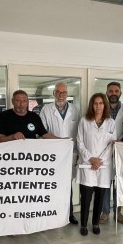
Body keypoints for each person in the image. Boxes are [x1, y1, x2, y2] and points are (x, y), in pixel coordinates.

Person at [76, 93, 116, 236]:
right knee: (86, 197)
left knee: (100, 197)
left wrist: (99, 161)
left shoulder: (111, 122)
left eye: (101, 103)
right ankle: (83, 225)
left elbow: (112, 144)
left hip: (104, 166)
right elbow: (80, 142)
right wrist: (90, 159)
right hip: (87, 164)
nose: (98, 106)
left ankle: (95, 223)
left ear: (105, 105)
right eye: (95, 103)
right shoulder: (84, 121)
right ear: (91, 105)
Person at [40, 82, 80, 224]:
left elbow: (79, 133)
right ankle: (52, 213)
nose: (61, 95)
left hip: (70, 154)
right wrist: (59, 141)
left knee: (67, 186)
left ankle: (69, 214)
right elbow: (43, 132)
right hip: (53, 155)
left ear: (67, 94)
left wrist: (78, 153)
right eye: (58, 92)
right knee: (52, 185)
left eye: (64, 92)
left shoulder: (75, 110)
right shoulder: (46, 110)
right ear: (54, 93)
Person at [99, 81, 123, 225]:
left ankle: (118, 212)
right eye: (111, 91)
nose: (113, 93)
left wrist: (122, 140)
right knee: (105, 183)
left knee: (119, 184)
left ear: (120, 93)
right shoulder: (100, 109)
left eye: (116, 91)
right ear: (107, 93)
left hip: (121, 152)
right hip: (103, 151)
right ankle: (105, 212)